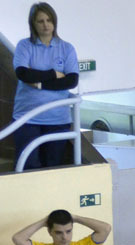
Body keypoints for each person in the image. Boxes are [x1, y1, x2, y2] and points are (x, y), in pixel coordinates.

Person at [12, 3, 79, 170]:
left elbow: (71, 81)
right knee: (27, 167)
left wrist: (39, 84)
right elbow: (23, 74)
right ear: (33, 24)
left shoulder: (67, 48)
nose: (45, 25)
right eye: (40, 21)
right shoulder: (24, 46)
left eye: (49, 20)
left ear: (54, 22)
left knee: (53, 167)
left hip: (58, 119)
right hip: (27, 118)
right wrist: (53, 73)